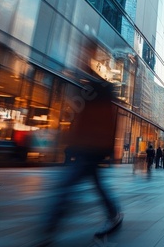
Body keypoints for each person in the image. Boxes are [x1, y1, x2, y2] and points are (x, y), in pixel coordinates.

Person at [40, 78, 123, 245]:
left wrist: (74, 147)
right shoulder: (96, 103)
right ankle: (113, 213)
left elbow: (85, 128)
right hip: (87, 152)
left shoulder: (95, 103)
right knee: (96, 186)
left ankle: (49, 229)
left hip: (87, 153)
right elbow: (79, 127)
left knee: (66, 187)